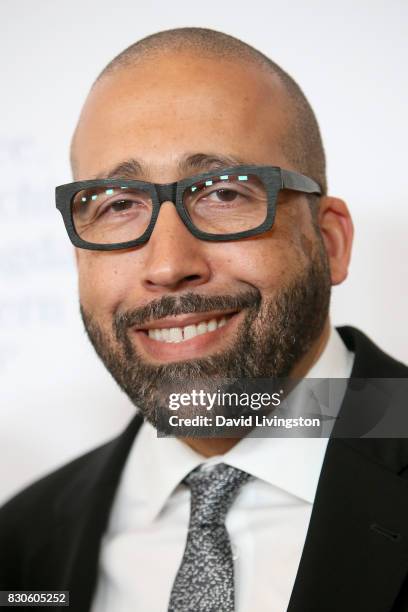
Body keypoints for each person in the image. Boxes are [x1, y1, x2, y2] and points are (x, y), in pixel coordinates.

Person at [1, 27, 407, 612]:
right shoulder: (20, 546)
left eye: (223, 193)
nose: (168, 265)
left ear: (330, 242)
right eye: (118, 204)